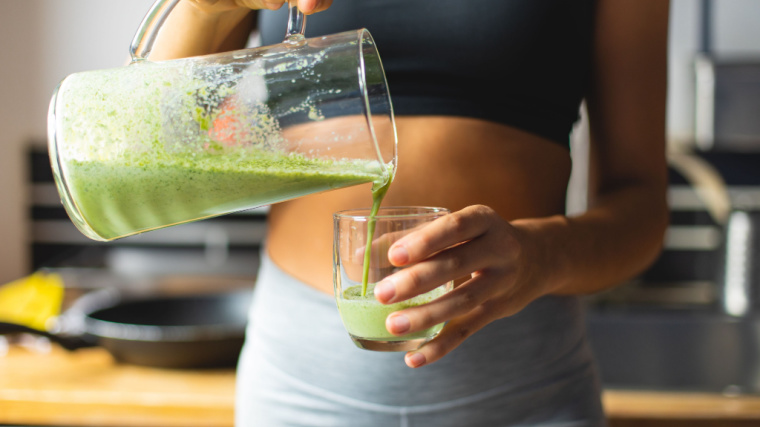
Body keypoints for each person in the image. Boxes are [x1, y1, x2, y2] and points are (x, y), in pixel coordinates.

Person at [149, 0, 669, 425]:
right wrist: (202, 7)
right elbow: (148, 145)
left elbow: (640, 206)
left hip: (525, 390)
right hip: (300, 389)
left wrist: (542, 256)